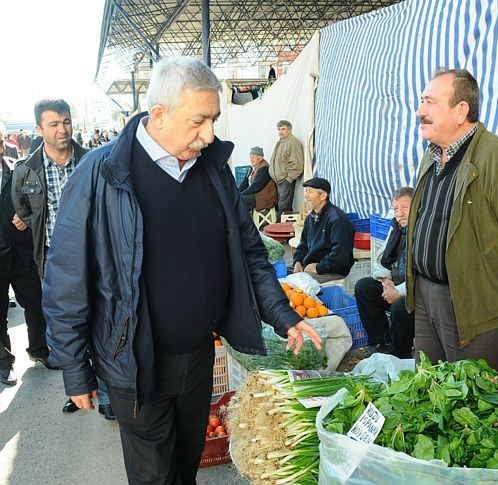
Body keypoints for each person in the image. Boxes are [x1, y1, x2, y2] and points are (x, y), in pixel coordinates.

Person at [41, 56, 322, 484]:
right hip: (134, 360)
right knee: (155, 475)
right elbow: (66, 277)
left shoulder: (213, 170)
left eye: (214, 120)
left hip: (197, 356)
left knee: (186, 467)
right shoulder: (101, 174)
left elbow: (249, 252)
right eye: (198, 122)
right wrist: (75, 367)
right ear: (159, 114)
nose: (209, 135)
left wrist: (284, 316)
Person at [406, 68, 498, 370]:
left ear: (461, 111)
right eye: (422, 101)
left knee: (474, 404)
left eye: (430, 102)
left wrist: (494, 287)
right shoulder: (431, 155)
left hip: (474, 305)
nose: (420, 111)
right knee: (427, 391)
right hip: (425, 296)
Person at [11, 99, 114, 419]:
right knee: (68, 328)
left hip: (97, 258)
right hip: (55, 264)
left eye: (66, 122)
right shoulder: (26, 170)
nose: (62, 129)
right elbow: (23, 210)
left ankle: (109, 393)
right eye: (54, 124)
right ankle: (79, 384)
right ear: (39, 130)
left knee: (105, 322)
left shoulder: (93, 161)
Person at [0, 140, 51, 386]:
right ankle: (4, 362)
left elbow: (37, 205)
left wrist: (27, 218)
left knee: (35, 304)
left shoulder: (18, 170)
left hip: (22, 254)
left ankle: (39, 350)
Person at [355, 187, 415, 358]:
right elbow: (384, 256)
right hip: (397, 284)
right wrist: (386, 280)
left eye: (404, 208)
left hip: (419, 292)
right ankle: (380, 342)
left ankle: (399, 355)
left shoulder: (422, 229)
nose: (399, 213)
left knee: (400, 307)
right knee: (363, 287)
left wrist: (399, 292)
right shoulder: (397, 227)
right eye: (396, 208)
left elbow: (423, 276)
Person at [293, 177, 355, 282]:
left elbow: (340, 255)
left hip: (332, 271)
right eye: (306, 191)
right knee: (281, 275)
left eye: (310, 192)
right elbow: (303, 245)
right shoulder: (311, 217)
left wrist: (319, 267)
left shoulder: (337, 219)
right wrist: (298, 261)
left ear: (323, 196)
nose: (305, 195)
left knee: (297, 283)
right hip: (310, 266)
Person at [268, 120, 304, 220]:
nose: (280, 131)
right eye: (279, 129)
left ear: (290, 130)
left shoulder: (292, 142)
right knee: (285, 208)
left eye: (283, 129)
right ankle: (287, 230)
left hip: (285, 181)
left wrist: (289, 179)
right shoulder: (281, 142)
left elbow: (297, 163)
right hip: (279, 180)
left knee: (283, 208)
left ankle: (279, 231)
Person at [238, 146, 277, 212]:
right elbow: (244, 183)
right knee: (236, 199)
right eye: (250, 157)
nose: (251, 159)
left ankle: (244, 221)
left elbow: (255, 187)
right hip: (256, 195)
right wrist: (236, 193)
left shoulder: (264, 169)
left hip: (264, 198)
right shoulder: (252, 168)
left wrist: (240, 195)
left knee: (241, 200)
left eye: (253, 157)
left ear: (260, 158)